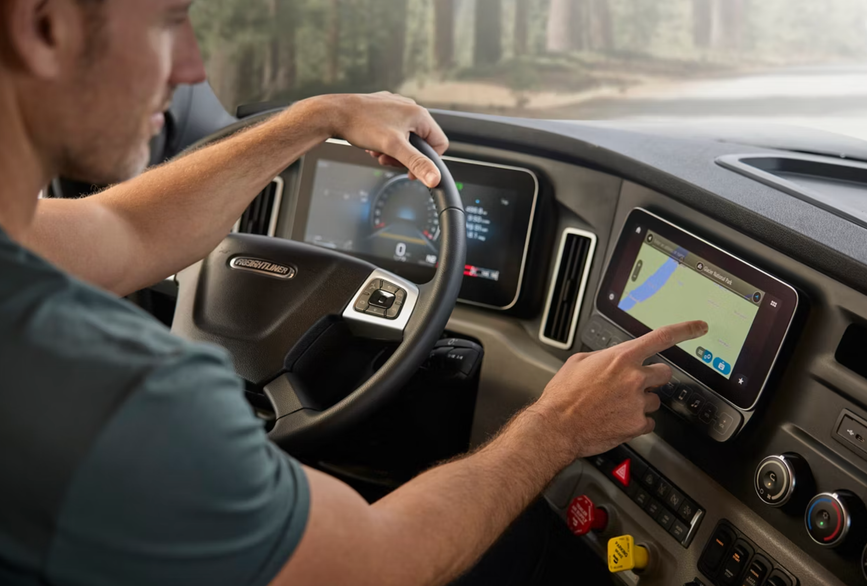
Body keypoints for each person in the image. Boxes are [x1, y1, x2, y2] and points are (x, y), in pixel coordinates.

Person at [0, 1, 708, 585]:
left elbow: (128, 228)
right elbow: (380, 561)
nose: (191, 67)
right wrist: (558, 426)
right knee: (523, 548)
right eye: (168, 21)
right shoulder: (120, 394)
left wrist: (317, 117)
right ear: (44, 26)